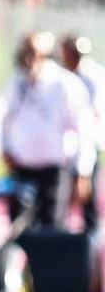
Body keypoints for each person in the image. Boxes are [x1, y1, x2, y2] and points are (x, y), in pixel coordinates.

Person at [0, 32, 95, 229]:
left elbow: (83, 129)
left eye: (34, 54)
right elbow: (5, 120)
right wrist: (6, 148)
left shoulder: (65, 84)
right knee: (19, 228)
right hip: (23, 168)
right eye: (25, 53)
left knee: (51, 229)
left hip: (54, 170)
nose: (29, 60)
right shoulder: (16, 83)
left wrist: (83, 171)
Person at [59, 34, 105, 230]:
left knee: (88, 195)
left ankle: (91, 236)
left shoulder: (93, 75)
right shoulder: (61, 76)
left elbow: (94, 112)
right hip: (67, 146)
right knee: (62, 197)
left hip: (88, 142)